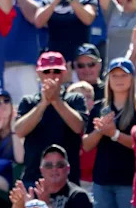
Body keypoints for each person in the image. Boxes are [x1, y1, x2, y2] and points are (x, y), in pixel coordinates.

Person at [16, 52, 87, 186]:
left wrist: (56, 101)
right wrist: (43, 104)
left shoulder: (75, 99)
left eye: (57, 71)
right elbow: (19, 131)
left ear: (64, 73)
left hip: (68, 182)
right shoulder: (29, 102)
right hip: (34, 179)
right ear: (39, 73)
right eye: (47, 71)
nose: (52, 75)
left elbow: (78, 127)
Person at [83, 57, 136, 208]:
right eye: (114, 76)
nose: (119, 80)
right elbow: (86, 145)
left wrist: (114, 134)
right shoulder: (99, 108)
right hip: (102, 180)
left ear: (132, 79)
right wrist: (101, 130)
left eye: (124, 75)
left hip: (129, 180)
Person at [30, 144, 94, 208]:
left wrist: (47, 206)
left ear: (68, 169)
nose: (54, 169)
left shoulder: (79, 195)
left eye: (60, 165)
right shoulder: (33, 195)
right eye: (49, 165)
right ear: (41, 170)